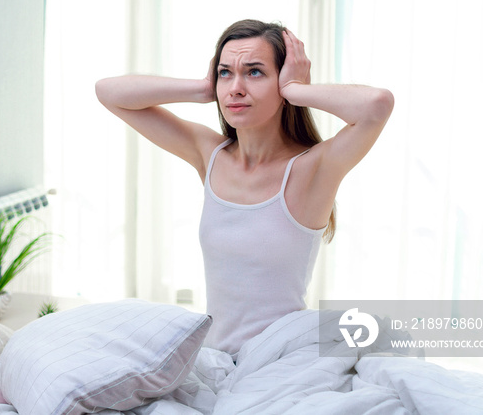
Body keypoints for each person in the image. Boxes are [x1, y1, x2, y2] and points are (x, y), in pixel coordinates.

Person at [95, 19, 394, 358]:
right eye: (226, 72)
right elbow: (108, 92)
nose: (236, 88)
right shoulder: (210, 155)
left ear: (281, 83)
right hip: (217, 358)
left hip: (282, 359)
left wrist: (295, 90)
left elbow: (377, 105)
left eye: (254, 72)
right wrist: (203, 88)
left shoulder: (312, 170)